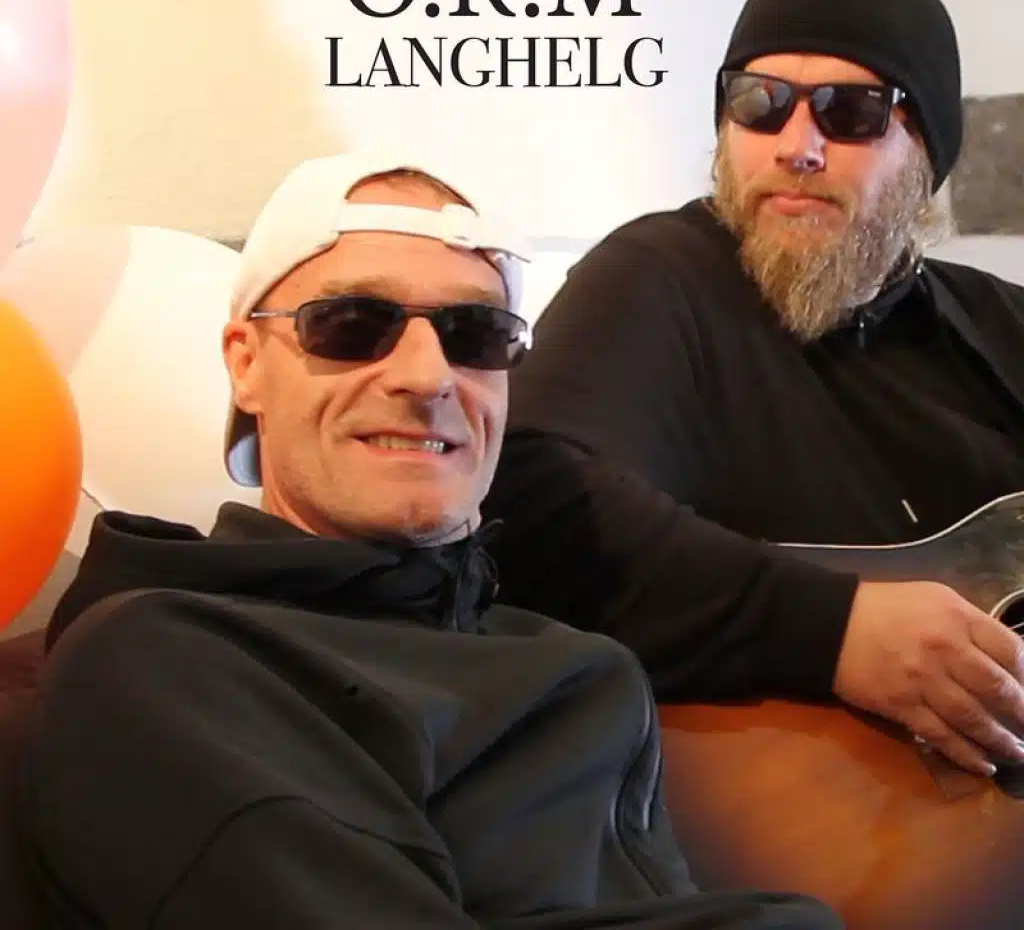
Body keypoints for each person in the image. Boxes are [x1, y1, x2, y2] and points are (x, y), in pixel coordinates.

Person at [18, 153, 839, 929]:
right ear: (247, 365)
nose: (427, 375)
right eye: (351, 323)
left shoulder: (584, 669)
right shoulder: (165, 657)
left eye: (475, 333)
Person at [482, 0, 1024, 780]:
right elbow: (523, 500)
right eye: (758, 104)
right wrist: (835, 632)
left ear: (928, 154)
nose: (796, 147)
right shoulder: (659, 278)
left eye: (851, 113)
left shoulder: (997, 323)